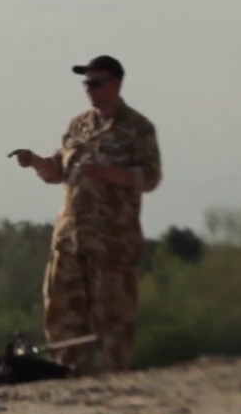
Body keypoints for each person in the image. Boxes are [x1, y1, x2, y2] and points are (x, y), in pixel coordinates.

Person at [9, 54, 162, 375]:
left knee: (112, 315)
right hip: (70, 240)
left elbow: (150, 177)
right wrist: (35, 161)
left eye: (96, 83)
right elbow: (58, 170)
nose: (89, 89)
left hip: (112, 242)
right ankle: (66, 373)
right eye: (86, 83)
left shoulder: (137, 128)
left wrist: (107, 173)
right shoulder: (78, 126)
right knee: (62, 309)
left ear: (116, 84)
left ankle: (111, 376)